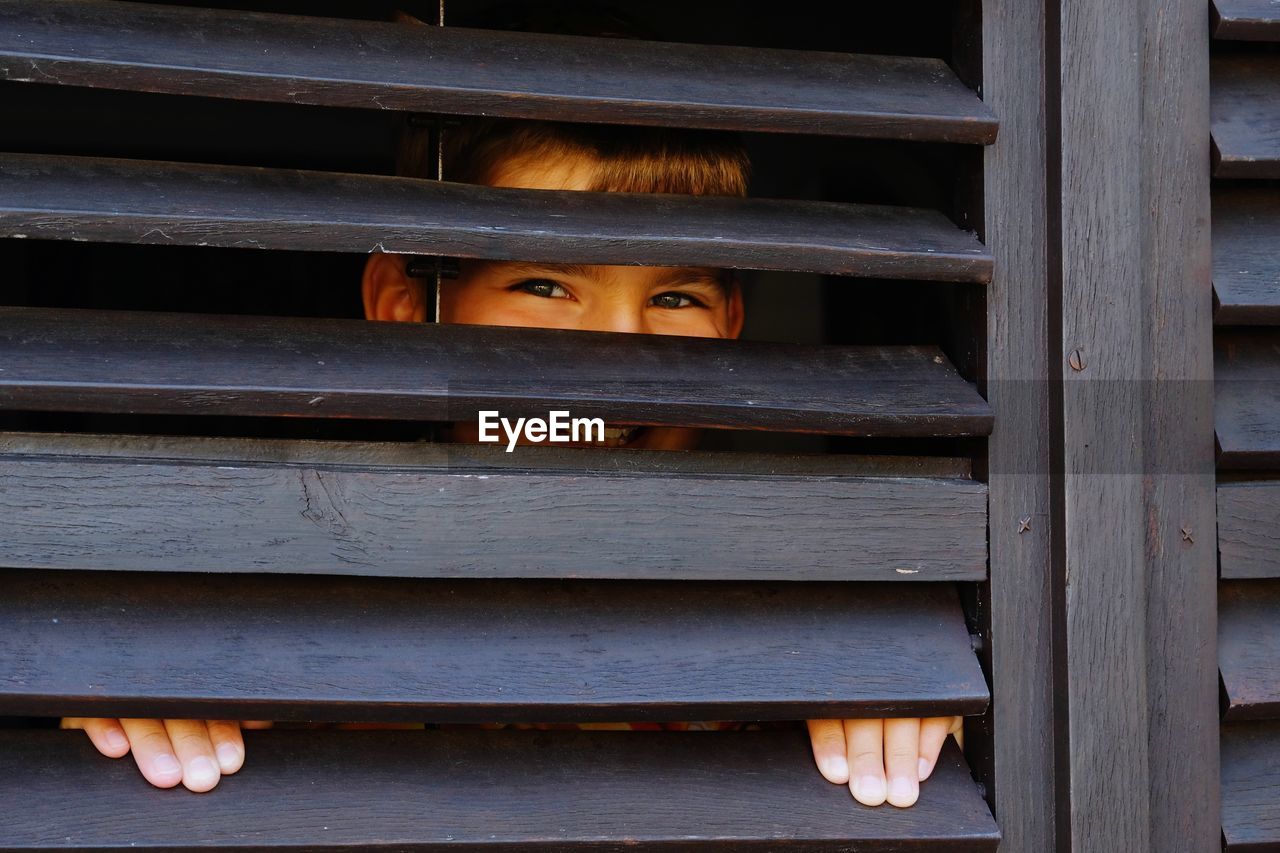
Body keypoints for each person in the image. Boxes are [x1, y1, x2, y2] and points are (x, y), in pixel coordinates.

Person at [62, 117, 963, 809]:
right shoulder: (274, 603)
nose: (620, 355)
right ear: (407, 301)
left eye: (676, 295)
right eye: (545, 284)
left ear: (730, 328)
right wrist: (130, 729)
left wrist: (896, 716)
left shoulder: (807, 615)